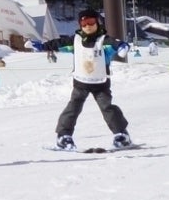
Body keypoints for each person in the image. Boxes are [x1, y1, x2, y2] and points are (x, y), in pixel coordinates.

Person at [53, 8, 133, 151]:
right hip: (80, 83)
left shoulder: (104, 40)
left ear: (97, 22)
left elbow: (117, 43)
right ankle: (63, 136)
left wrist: (123, 47)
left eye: (91, 22)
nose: (88, 26)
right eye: (84, 23)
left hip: (100, 83)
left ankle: (121, 134)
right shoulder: (75, 40)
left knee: (107, 108)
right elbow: (58, 43)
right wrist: (40, 45)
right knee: (73, 108)